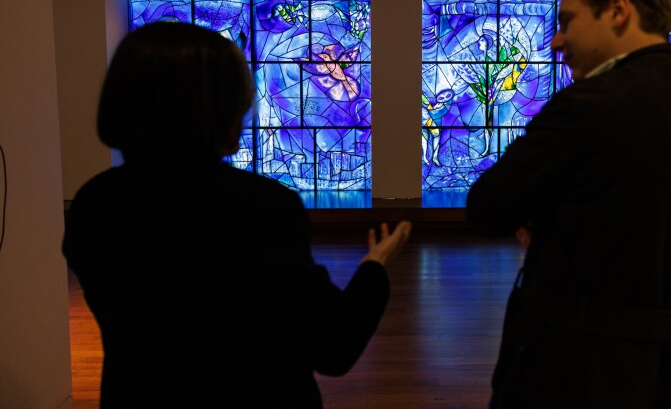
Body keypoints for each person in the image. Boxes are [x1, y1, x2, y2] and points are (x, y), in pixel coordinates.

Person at [63, 21, 411, 408]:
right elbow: (332, 347)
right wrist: (374, 269)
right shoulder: (258, 208)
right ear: (218, 108)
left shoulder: (93, 204)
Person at [466, 0, 671, 408]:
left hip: (577, 371)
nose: (556, 41)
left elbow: (488, 207)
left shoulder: (589, 106)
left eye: (567, 20)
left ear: (618, 9)